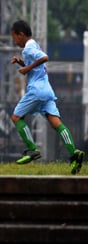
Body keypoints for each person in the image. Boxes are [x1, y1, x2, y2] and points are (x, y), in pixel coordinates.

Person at [10, 19, 84, 174]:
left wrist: (27, 67)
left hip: (36, 90)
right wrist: (22, 64)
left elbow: (44, 58)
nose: (15, 41)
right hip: (46, 90)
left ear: (21, 34)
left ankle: (31, 150)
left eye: (15, 37)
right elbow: (36, 67)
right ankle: (74, 154)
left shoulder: (28, 48)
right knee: (57, 124)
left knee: (16, 117)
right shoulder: (33, 44)